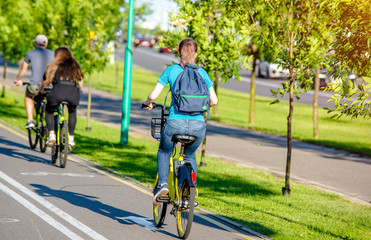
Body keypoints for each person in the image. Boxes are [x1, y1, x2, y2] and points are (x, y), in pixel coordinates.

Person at [143, 38, 218, 205]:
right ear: (196, 54)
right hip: (198, 126)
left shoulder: (171, 71)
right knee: (190, 154)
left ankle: (163, 186)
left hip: (175, 123)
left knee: (164, 151)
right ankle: (191, 189)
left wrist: (148, 103)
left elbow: (154, 96)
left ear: (179, 53)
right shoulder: (203, 73)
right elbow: (214, 101)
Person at [39, 47, 83, 148]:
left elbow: (46, 80)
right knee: (72, 112)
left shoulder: (53, 65)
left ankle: (51, 135)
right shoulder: (75, 64)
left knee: (49, 111)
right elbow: (80, 80)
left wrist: (41, 90)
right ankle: (71, 138)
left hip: (57, 92)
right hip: (72, 93)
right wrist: (79, 89)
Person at [14, 35, 54, 129]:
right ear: (46, 44)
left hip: (35, 86)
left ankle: (30, 120)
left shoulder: (30, 53)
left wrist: (18, 79)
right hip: (50, 86)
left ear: (36, 43)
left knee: (28, 97)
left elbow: (23, 70)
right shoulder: (53, 54)